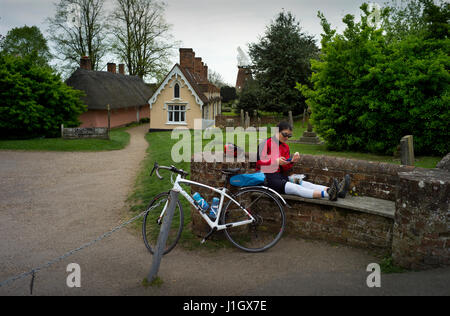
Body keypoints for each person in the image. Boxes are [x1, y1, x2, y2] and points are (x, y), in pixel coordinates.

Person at [256, 121, 350, 201]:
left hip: (280, 176)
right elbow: (259, 163)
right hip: (267, 178)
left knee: (303, 183)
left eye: (289, 136)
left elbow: (285, 167)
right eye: (285, 134)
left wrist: (291, 161)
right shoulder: (266, 143)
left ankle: (336, 191)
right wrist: (275, 161)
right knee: (295, 188)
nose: (287, 138)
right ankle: (328, 194)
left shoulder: (285, 147)